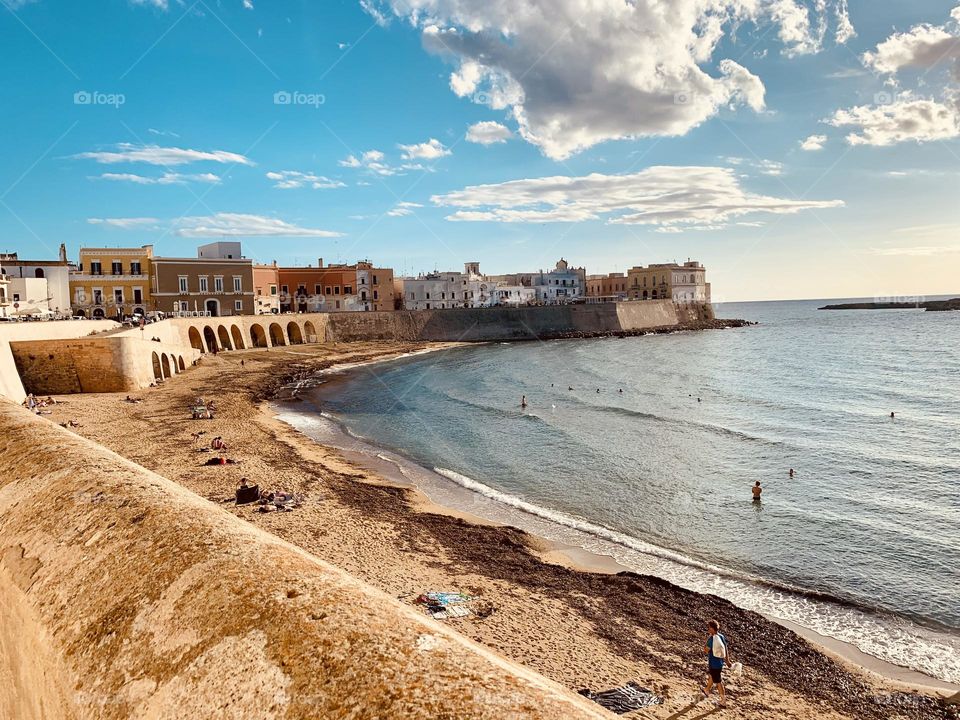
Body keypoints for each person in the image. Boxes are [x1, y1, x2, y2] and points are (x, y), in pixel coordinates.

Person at [702, 619, 728, 706]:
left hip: (714, 664)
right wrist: (727, 660)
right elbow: (725, 648)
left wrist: (706, 642)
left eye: (709, 627)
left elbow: (706, 650)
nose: (708, 629)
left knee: (718, 682)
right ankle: (706, 690)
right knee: (712, 676)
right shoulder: (721, 636)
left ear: (713, 628)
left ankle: (723, 701)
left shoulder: (711, 639)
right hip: (720, 663)